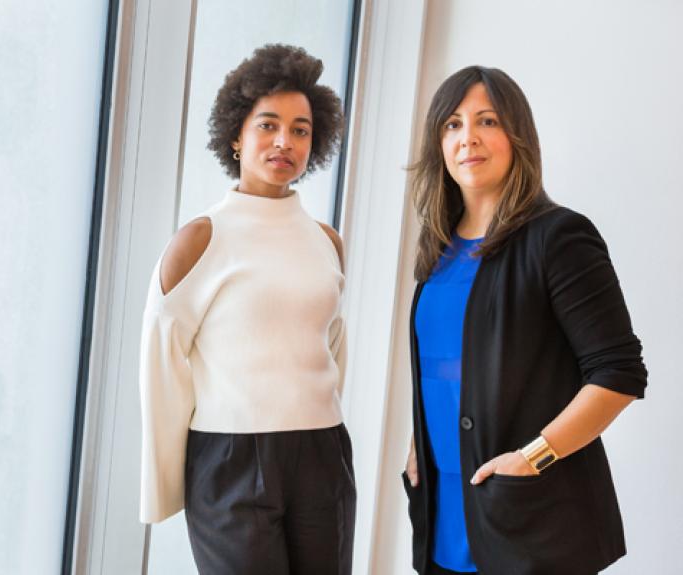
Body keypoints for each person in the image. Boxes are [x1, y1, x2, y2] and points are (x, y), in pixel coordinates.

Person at [402, 65, 647, 575]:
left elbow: (618, 373)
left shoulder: (558, 237)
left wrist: (532, 457)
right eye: (452, 124)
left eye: (486, 121)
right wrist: (414, 449)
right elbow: (443, 364)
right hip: (444, 510)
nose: (468, 137)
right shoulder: (438, 251)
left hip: (527, 517)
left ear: (517, 135)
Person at [139, 44, 355, 575]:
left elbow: (331, 347)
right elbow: (163, 367)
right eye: (269, 124)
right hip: (229, 461)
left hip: (323, 453)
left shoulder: (327, 241)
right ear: (237, 135)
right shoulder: (199, 239)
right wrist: (167, 485)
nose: (285, 141)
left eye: (301, 130)